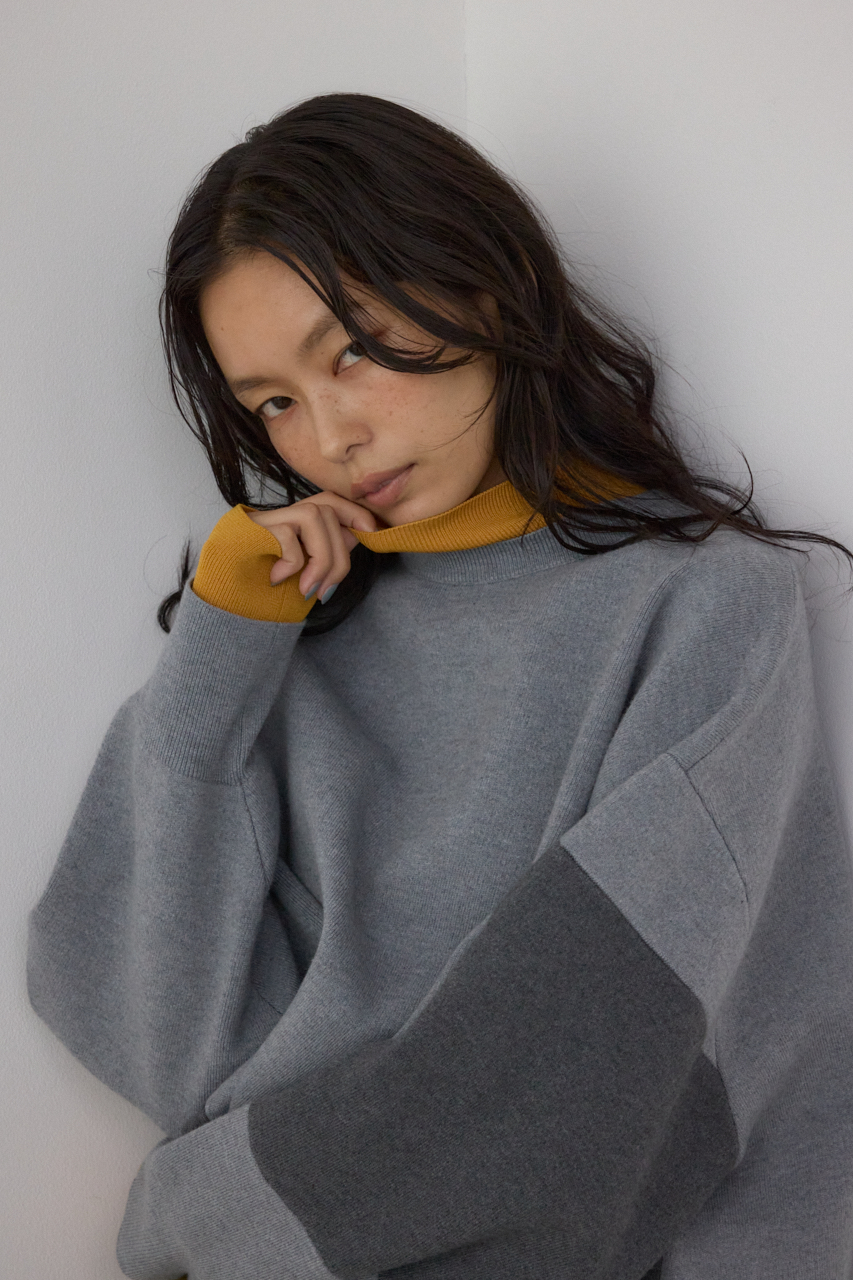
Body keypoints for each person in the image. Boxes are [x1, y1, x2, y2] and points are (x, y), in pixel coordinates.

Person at [27, 93, 853, 1280]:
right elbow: (144, 1030)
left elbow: (601, 1086)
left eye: (351, 350)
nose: (328, 437)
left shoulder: (702, 607)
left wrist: (188, 1208)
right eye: (273, 402)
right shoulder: (283, 639)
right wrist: (221, 642)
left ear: (483, 285)